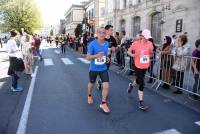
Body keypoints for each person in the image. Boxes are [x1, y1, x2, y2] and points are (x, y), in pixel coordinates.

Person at [126, 29, 153, 111]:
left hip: (145, 66)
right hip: (137, 65)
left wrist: (151, 53)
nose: (147, 39)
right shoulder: (135, 44)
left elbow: (151, 54)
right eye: (146, 37)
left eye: (148, 37)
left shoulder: (150, 43)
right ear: (142, 36)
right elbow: (128, 52)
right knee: (142, 83)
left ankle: (131, 85)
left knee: (138, 80)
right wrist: (133, 54)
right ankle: (141, 103)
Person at [86, 27, 111, 113]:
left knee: (106, 86)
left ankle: (103, 103)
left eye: (103, 33)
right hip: (94, 68)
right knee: (91, 84)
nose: (102, 34)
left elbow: (106, 53)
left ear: (105, 34)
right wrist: (96, 56)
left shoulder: (107, 43)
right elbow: (88, 57)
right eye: (100, 32)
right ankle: (89, 95)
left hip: (103, 68)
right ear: (97, 33)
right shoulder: (92, 44)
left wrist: (107, 58)